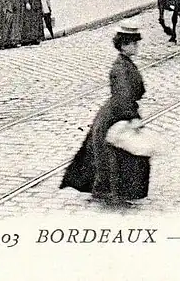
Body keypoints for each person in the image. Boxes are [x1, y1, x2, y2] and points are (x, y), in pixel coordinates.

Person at [60, 21, 150, 205]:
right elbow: (123, 96)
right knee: (117, 155)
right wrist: (132, 118)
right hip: (116, 116)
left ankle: (115, 191)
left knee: (121, 154)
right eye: (133, 43)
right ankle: (111, 193)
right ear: (124, 45)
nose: (136, 46)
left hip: (117, 114)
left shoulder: (126, 64)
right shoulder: (121, 68)